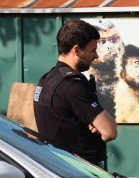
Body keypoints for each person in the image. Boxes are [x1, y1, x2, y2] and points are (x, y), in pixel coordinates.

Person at [33, 19, 118, 167]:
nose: (96, 56)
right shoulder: (71, 86)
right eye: (93, 50)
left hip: (57, 167)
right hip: (80, 172)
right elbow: (110, 131)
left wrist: (94, 123)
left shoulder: (47, 79)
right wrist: (99, 126)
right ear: (76, 50)